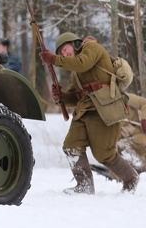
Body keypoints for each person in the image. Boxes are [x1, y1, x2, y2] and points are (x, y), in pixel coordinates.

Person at [40, 33, 138, 193]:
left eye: (65, 49)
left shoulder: (92, 48)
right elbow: (74, 97)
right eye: (61, 53)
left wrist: (54, 59)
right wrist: (61, 97)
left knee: (104, 155)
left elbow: (83, 63)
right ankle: (84, 185)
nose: (64, 54)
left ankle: (130, 178)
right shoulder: (75, 71)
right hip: (84, 112)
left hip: (105, 110)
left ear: (73, 43)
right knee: (71, 146)